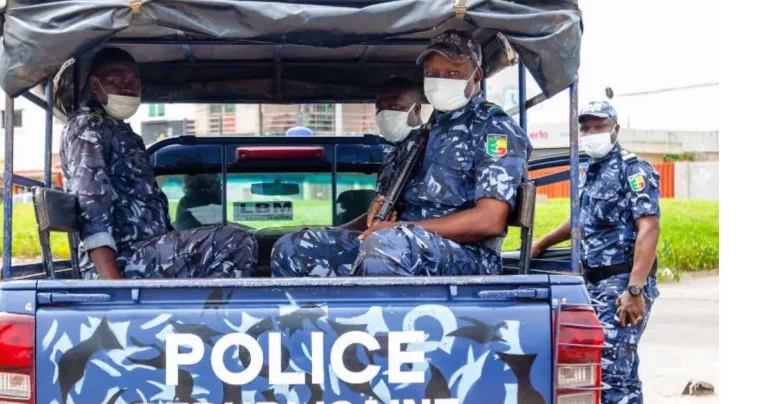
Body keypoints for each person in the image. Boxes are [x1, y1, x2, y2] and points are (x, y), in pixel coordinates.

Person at [272, 31, 531, 277]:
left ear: (475, 77)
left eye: (453, 73)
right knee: (294, 246)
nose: (442, 81)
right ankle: (313, 321)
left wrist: (399, 229)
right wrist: (380, 214)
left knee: (386, 245)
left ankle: (377, 323)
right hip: (401, 243)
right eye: (433, 74)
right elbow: (389, 214)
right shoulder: (421, 137)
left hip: (468, 256)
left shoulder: (494, 128)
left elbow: (489, 221)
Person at [532, 101, 661, 404]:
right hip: (597, 283)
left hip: (623, 283)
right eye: (585, 127)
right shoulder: (590, 171)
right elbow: (579, 220)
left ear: (616, 128)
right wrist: (541, 243)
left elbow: (649, 228)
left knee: (610, 375)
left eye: (598, 125)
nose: (591, 133)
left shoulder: (633, 169)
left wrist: (635, 290)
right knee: (626, 369)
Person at [60, 48, 257, 280]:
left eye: (134, 81)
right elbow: (91, 209)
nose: (128, 87)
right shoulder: (88, 128)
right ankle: (212, 315)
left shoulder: (123, 133)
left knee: (235, 238)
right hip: (122, 261)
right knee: (234, 241)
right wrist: (114, 288)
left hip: (146, 253)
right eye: (117, 80)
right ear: (95, 86)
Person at [269, 76, 425, 276]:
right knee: (292, 245)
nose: (386, 115)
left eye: (395, 107)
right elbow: (379, 215)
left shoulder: (430, 149)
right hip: (381, 240)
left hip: (407, 248)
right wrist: (334, 231)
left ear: (417, 109)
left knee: (293, 247)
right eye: (380, 109)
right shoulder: (393, 156)